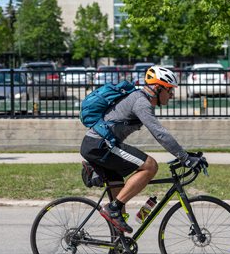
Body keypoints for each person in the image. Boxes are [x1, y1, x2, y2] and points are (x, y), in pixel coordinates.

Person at [80, 66, 205, 238]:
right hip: (99, 145)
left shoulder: (140, 100)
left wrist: (187, 155)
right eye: (169, 90)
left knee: (120, 201)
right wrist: (184, 158)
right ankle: (112, 208)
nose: (172, 95)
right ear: (158, 88)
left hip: (99, 146)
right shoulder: (141, 102)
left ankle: (119, 249)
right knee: (150, 166)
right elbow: (159, 133)